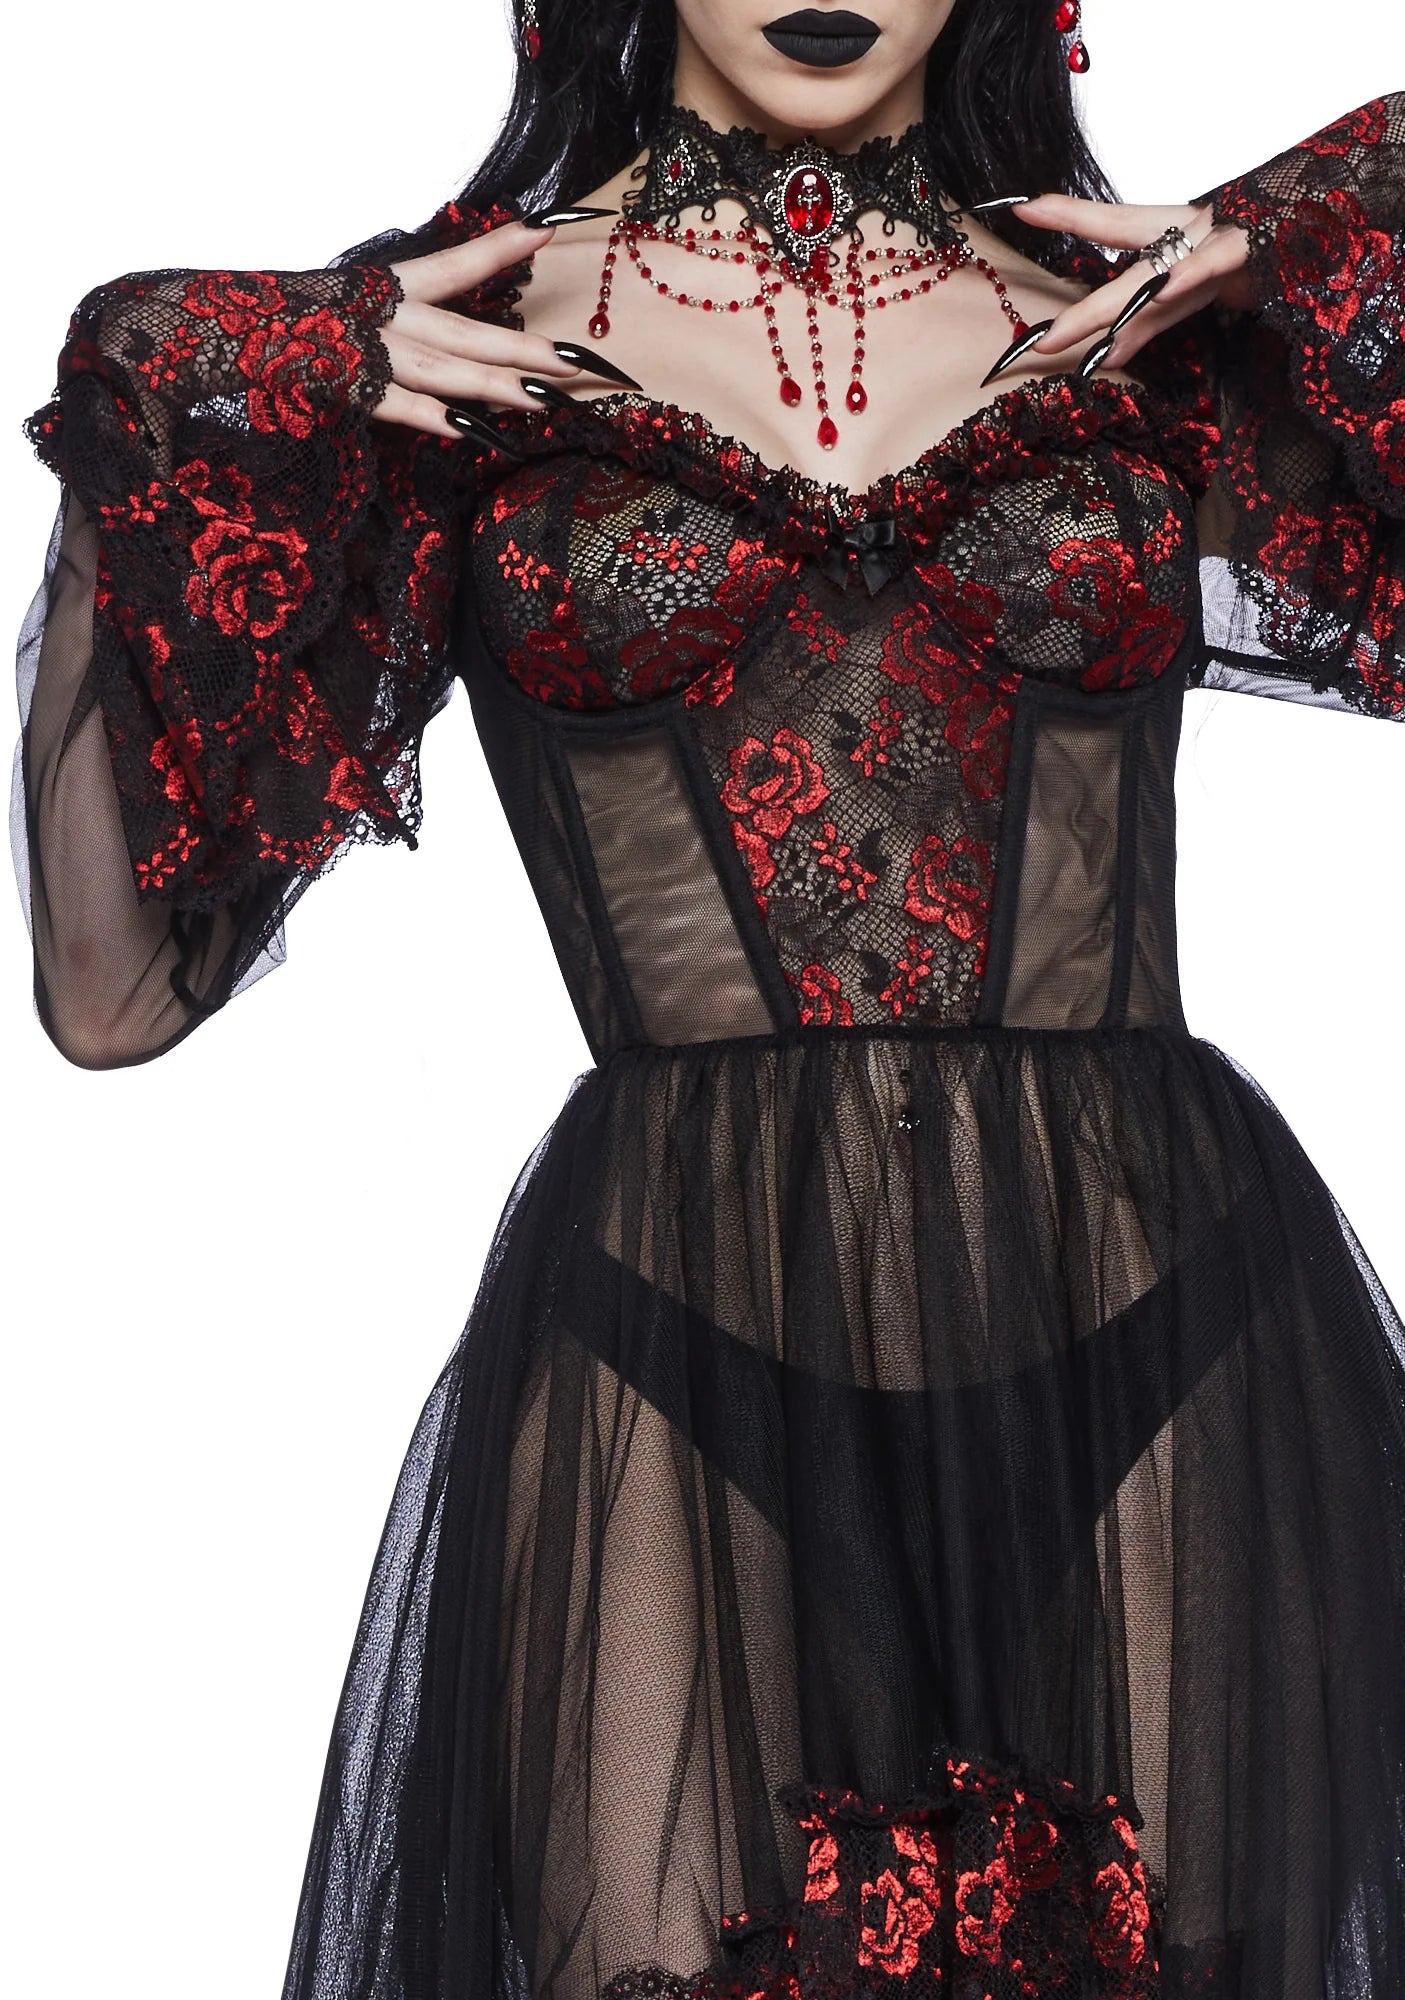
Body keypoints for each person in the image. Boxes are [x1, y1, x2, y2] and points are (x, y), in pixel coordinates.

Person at [11, 0, 1405, 1994]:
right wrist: (172, 390)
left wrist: (1308, 228)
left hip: (1160, 1324)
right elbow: (111, 992)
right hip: (668, 1352)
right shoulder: (455, 348)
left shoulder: (1145, 332)